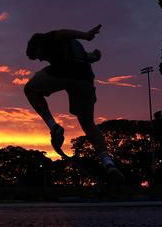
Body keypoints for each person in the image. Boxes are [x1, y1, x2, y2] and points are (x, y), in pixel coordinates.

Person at [23, 24, 123, 181]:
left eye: (38, 56)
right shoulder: (76, 49)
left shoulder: (45, 39)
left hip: (64, 72)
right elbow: (89, 58)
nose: (42, 59)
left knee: (30, 89)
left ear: (38, 46)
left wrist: (86, 35)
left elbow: (63, 33)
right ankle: (108, 163)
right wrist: (96, 56)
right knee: (88, 124)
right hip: (85, 79)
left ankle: (53, 126)